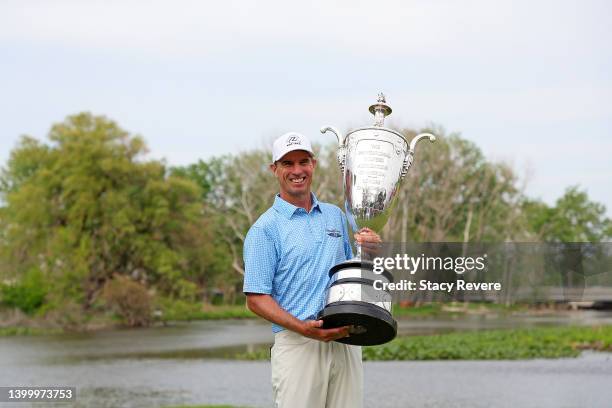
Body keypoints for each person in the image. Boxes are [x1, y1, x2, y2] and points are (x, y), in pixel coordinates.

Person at [243, 131, 381, 408]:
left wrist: (371, 250)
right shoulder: (264, 229)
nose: (297, 171)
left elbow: (350, 273)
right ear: (275, 170)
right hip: (298, 343)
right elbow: (256, 299)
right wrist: (304, 329)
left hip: (345, 339)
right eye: (288, 164)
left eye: (303, 162)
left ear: (313, 165)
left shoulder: (335, 216)